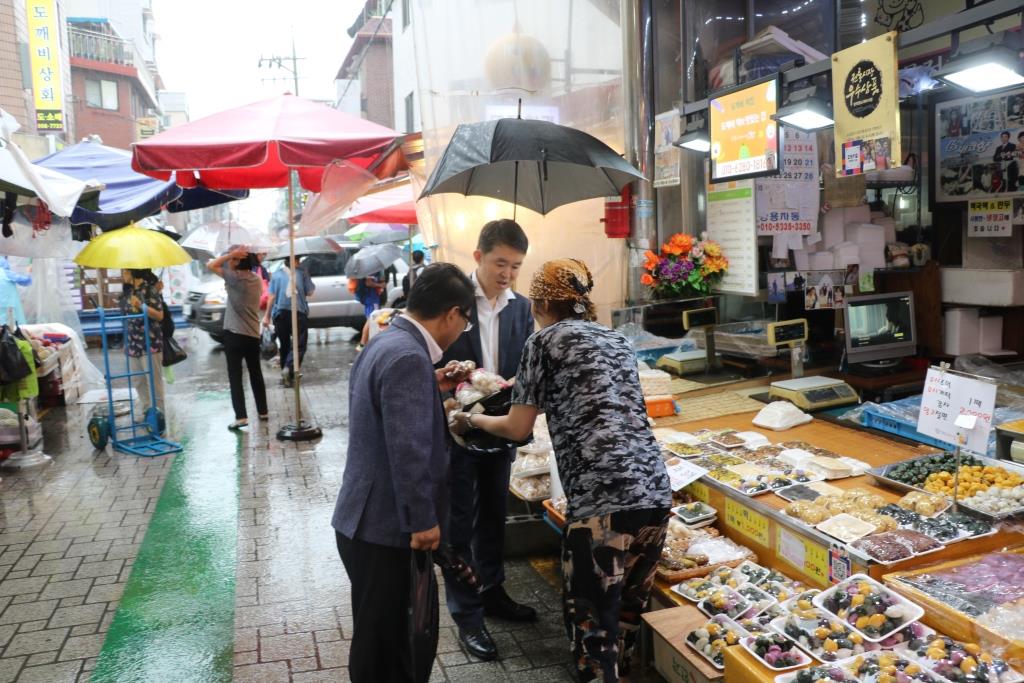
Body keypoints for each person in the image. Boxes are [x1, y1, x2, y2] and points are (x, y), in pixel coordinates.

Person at [450, 258, 671, 683]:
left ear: (541, 301)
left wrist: (470, 420)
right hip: (656, 496)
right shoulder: (616, 340)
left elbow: (516, 427)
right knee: (625, 616)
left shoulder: (543, 341)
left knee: (594, 632)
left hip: (601, 505)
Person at [331, 263, 476, 683]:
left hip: (361, 519)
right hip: (387, 528)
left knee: (377, 637)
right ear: (452, 313)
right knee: (391, 652)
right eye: (464, 322)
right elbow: (408, 449)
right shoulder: (408, 357)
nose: (460, 331)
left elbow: (387, 406)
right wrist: (423, 522)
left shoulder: (386, 341)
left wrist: (433, 383)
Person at [438, 219, 536, 662]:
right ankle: (468, 616)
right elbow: (434, 360)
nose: (507, 274)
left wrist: (517, 383)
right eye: (500, 263)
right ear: (478, 257)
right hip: (457, 429)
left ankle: (492, 592)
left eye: (515, 266)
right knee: (459, 523)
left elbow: (525, 365)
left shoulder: (522, 308)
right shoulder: (453, 303)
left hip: (499, 429)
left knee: (494, 515)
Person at [208, 246, 269, 430]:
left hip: (234, 334)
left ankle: (241, 417)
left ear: (239, 262)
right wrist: (233, 259)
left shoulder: (233, 277)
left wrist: (229, 255)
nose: (230, 262)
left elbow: (211, 265)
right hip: (252, 333)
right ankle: (263, 411)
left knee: (235, 376)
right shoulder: (257, 279)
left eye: (234, 260)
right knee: (256, 373)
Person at [263, 257, 315, 387]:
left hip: (280, 314)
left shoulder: (276, 274)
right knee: (299, 345)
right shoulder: (302, 272)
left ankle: (286, 377)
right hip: (298, 312)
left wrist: (266, 316)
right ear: (296, 261)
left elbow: (272, 296)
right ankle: (288, 368)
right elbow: (310, 292)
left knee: (285, 344)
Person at [120, 269, 165, 414]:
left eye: (125, 272)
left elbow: (159, 316)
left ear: (133, 273)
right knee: (138, 381)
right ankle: (147, 413)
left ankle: (159, 417)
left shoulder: (150, 290)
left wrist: (141, 306)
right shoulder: (127, 292)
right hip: (132, 343)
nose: (123, 275)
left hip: (150, 342)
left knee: (154, 382)